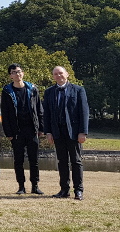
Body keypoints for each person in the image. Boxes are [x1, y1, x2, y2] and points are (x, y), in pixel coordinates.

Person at [44, 66, 89, 201]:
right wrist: (48, 132)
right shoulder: (49, 92)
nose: (58, 76)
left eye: (60, 73)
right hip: (57, 132)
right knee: (62, 161)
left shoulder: (78, 90)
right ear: (53, 76)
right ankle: (64, 190)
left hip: (74, 132)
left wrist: (83, 132)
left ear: (67, 74)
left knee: (76, 161)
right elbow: (46, 114)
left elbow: (84, 112)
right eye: (55, 74)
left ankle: (79, 191)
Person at [0, 64, 44, 195]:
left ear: (23, 73)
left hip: (32, 130)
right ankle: (21, 186)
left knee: (34, 160)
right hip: (16, 132)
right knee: (18, 160)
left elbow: (39, 109)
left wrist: (41, 128)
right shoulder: (7, 91)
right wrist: (8, 133)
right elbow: (5, 114)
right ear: (10, 75)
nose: (17, 74)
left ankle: (35, 186)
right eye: (14, 72)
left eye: (19, 72)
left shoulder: (33, 89)